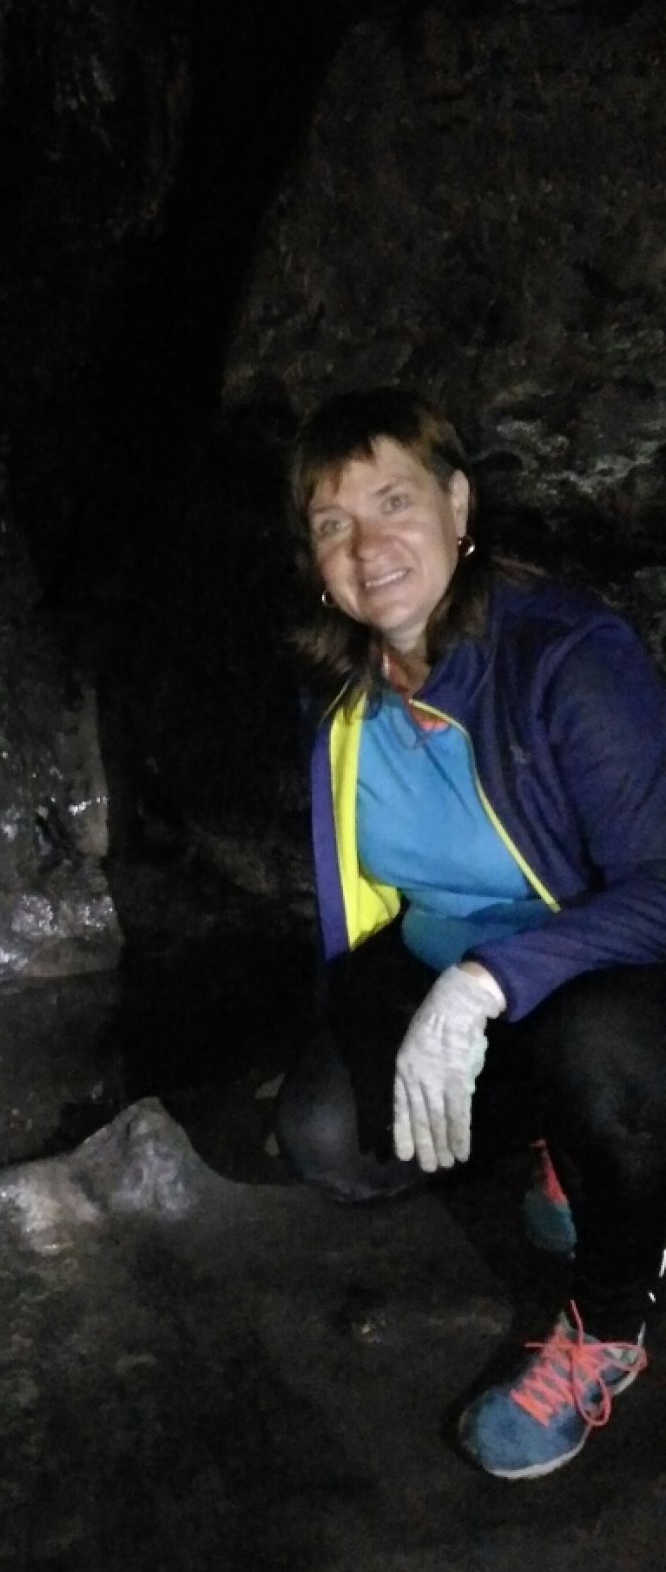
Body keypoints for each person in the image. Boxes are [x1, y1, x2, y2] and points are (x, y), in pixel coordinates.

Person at [275, 387, 666, 1480]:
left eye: (394, 502)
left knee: (599, 1053)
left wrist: (485, 984)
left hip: (611, 979)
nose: (369, 547)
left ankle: (609, 1322)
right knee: (328, 1139)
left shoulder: (565, 656)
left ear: (457, 506)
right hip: (465, 975)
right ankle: (566, 1144)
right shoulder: (340, 688)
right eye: (334, 523)